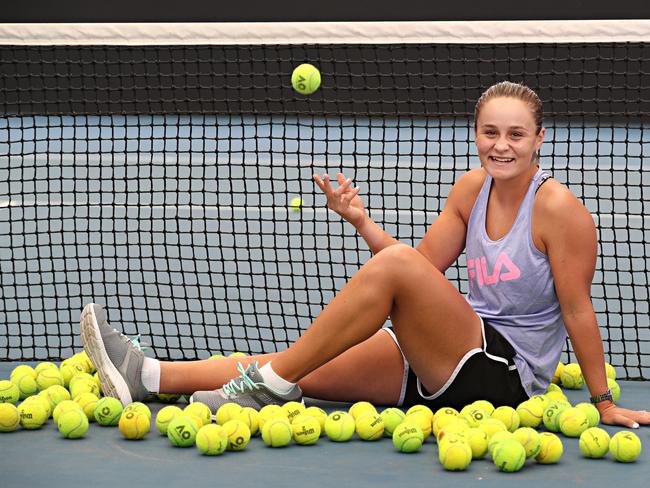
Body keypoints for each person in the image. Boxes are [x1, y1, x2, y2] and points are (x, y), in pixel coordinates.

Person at [80, 81, 649, 428]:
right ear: (476, 133)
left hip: (506, 376)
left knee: (297, 361)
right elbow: (421, 273)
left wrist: (601, 400)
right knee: (304, 363)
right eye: (490, 132)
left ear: (540, 138)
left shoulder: (559, 211)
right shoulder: (471, 190)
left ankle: (268, 385)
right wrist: (360, 221)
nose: (502, 146)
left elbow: (577, 311)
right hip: (448, 353)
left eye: (517, 135)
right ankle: (148, 375)